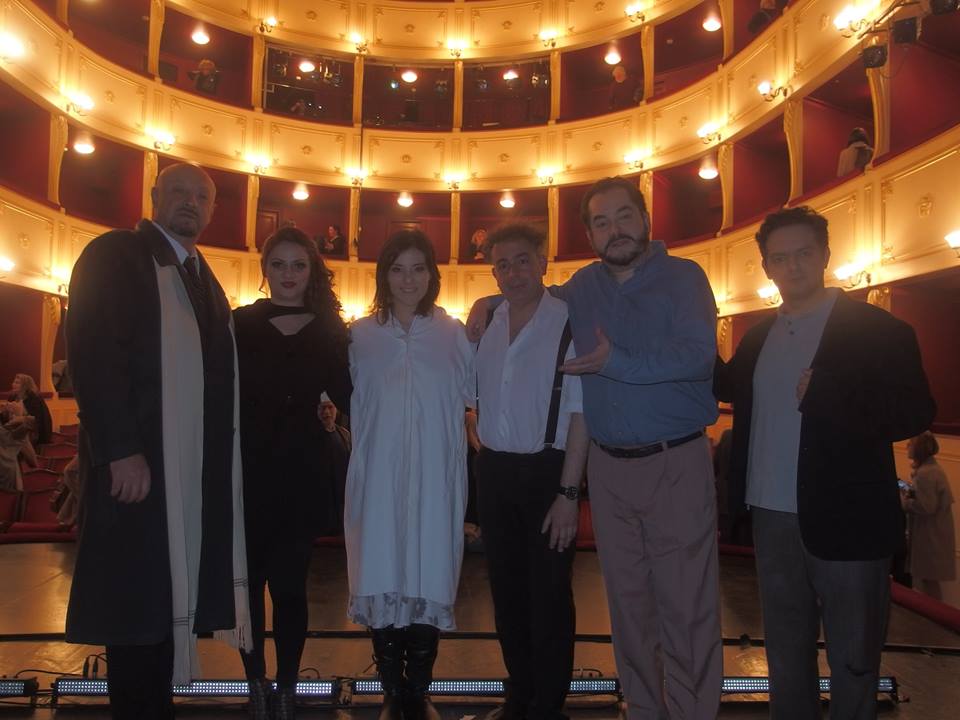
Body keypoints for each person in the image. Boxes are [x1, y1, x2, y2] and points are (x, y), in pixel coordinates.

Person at [467, 176, 721, 720]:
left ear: (645, 219)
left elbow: (699, 357)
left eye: (624, 216)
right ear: (589, 234)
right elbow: (535, 293)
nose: (615, 230)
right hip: (608, 468)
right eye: (602, 222)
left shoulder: (684, 278)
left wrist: (617, 363)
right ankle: (645, 711)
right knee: (628, 609)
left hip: (674, 459)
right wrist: (489, 300)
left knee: (686, 608)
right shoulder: (583, 287)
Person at [713, 206, 935, 720]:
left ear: (826, 256)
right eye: (780, 258)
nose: (792, 266)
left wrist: (836, 396)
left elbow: (916, 411)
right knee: (785, 656)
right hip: (771, 516)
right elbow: (723, 385)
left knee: (854, 658)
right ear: (766, 267)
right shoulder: (758, 337)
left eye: (804, 254)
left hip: (850, 517)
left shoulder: (879, 329)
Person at [65, 162, 251, 720]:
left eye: (201, 196)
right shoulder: (117, 255)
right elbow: (94, 352)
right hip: (140, 468)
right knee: (135, 608)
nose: (190, 202)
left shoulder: (203, 278)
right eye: (178, 192)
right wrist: (120, 449)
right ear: (154, 196)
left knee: (165, 604)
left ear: (212, 210)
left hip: (186, 476)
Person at [346, 229, 475, 720]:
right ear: (384, 275)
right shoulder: (360, 336)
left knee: (429, 569)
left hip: (435, 480)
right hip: (377, 478)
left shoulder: (453, 334)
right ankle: (390, 691)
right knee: (379, 567)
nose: (408, 279)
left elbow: (478, 395)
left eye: (418, 268)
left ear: (432, 275)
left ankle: (417, 690)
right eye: (398, 269)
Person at [233, 226, 352, 719]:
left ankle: (285, 685)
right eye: (278, 264)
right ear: (264, 270)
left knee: (289, 589)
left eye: (298, 265)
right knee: (247, 591)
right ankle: (254, 683)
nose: (288, 274)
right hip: (247, 472)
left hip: (301, 471)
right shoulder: (239, 323)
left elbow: (351, 395)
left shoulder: (330, 329)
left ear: (311, 271)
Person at [474, 223, 589, 720]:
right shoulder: (487, 322)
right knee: (505, 592)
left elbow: (581, 414)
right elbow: (471, 397)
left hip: (548, 472)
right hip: (494, 471)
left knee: (550, 596)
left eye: (522, 260)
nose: (513, 272)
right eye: (502, 264)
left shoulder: (568, 322)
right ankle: (519, 695)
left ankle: (548, 706)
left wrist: (569, 493)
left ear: (542, 262)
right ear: (494, 273)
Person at [902, 431, 955, 602]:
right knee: (928, 581)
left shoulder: (926, 473)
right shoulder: (931, 469)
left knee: (928, 581)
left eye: (911, 443)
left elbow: (926, 506)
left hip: (930, 536)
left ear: (919, 448)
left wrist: (904, 502)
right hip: (933, 533)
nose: (907, 446)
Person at [317, 393, 351, 537]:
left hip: (342, 499)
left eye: (330, 407)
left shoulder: (345, 435)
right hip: (321, 500)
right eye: (322, 408)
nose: (326, 412)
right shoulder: (312, 435)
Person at [0, 401, 38, 491]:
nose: (7, 404)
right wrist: (20, 417)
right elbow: (34, 463)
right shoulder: (13, 435)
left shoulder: (9, 433)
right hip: (9, 483)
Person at [12, 373, 52, 446]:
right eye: (14, 382)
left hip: (36, 431)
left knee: (14, 438)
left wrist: (19, 418)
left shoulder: (33, 397)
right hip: (19, 428)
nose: (13, 384)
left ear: (25, 385)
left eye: (17, 383)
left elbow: (36, 420)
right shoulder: (13, 397)